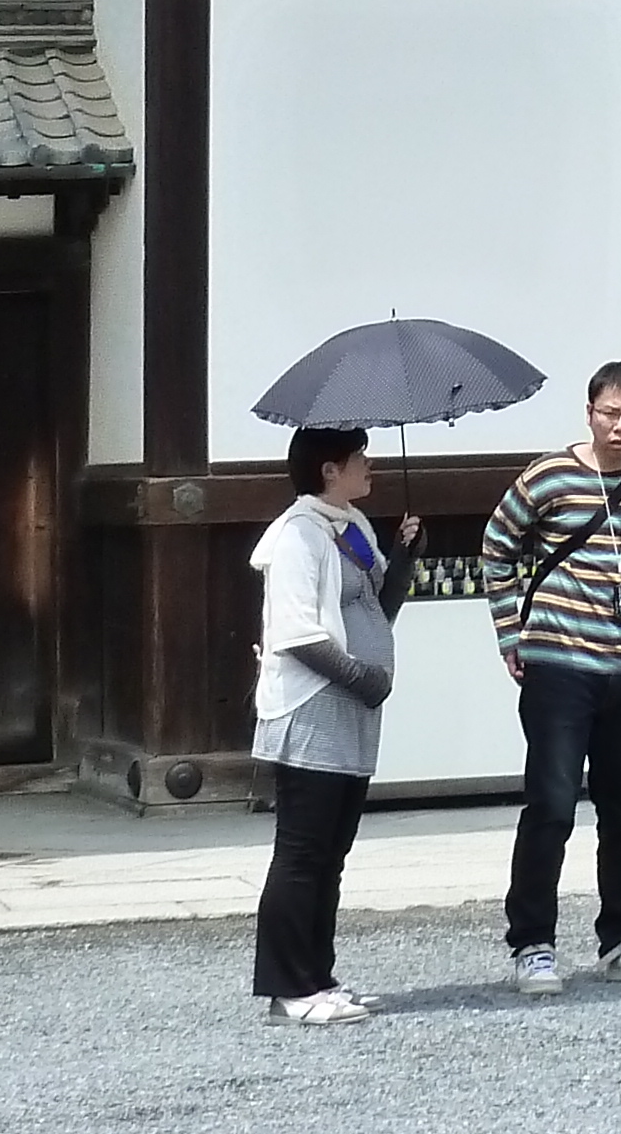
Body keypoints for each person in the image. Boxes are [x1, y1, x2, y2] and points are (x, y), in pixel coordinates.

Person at [478, 360, 621, 995]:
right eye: (610, 413)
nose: (620, 426)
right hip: (560, 662)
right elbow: (496, 546)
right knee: (550, 803)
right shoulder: (549, 476)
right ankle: (532, 943)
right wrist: (510, 632)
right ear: (590, 412)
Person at [248, 426, 416, 1024]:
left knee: (332, 854)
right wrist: (361, 677)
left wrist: (402, 558)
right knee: (302, 851)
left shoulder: (353, 528)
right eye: (357, 459)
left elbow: (377, 608)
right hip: (316, 705)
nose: (367, 466)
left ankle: (318, 976)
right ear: (329, 470)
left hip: (353, 709)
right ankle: (287, 986)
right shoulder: (298, 536)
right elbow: (295, 634)